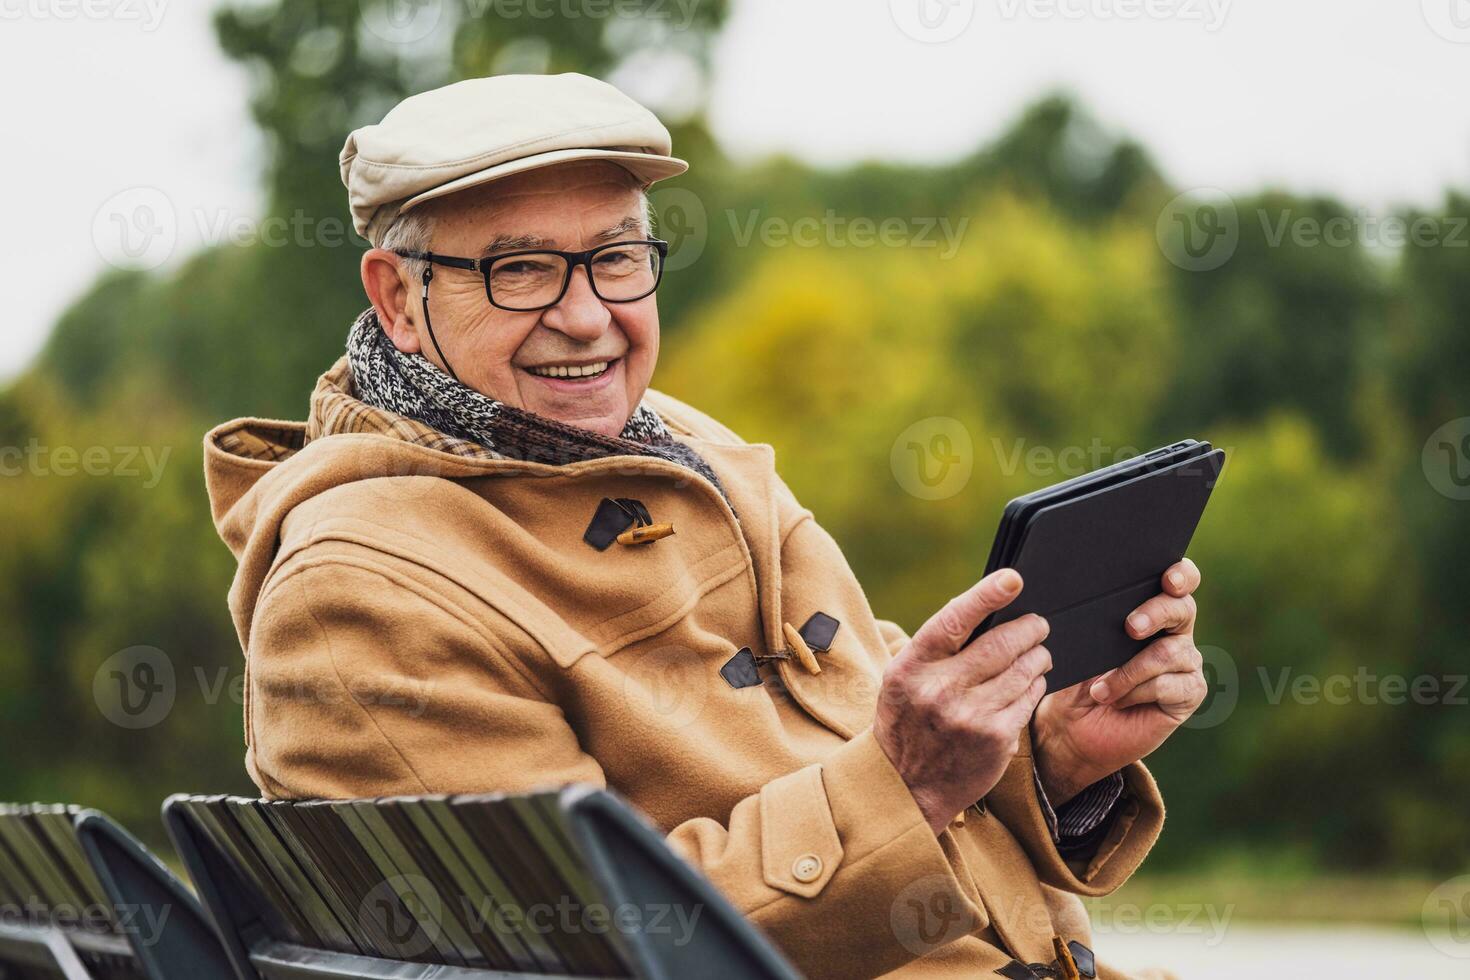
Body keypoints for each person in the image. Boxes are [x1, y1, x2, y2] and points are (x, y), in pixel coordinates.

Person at [204, 72, 1204, 979]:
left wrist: (1051, 751)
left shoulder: (688, 443)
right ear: (399, 299)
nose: (588, 315)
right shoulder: (356, 591)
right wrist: (902, 782)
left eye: (617, 257)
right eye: (520, 270)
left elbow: (882, 737)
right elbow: (581, 947)